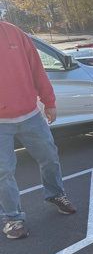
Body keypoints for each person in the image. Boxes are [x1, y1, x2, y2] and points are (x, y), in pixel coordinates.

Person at [0, 21, 77, 240]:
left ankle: (56, 194)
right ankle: (13, 218)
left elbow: (37, 68)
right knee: (3, 171)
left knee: (49, 157)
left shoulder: (14, 32)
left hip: (30, 115)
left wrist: (49, 101)